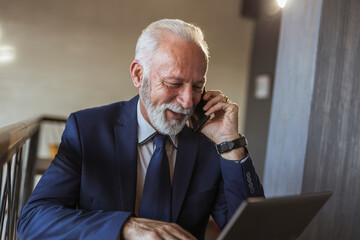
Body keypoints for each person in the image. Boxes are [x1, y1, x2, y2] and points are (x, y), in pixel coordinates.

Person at [17, 19, 264, 240]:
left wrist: (230, 143)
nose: (188, 101)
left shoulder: (209, 142)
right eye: (174, 83)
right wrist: (125, 228)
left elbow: (253, 233)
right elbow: (34, 220)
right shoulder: (88, 129)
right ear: (138, 75)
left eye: (197, 86)